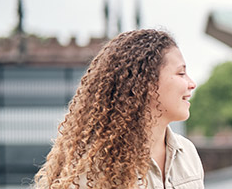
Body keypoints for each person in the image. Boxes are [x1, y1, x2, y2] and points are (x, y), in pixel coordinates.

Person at [33, 29, 204, 188]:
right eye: (181, 73)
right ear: (148, 83)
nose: (192, 84)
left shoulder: (187, 153)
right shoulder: (94, 169)